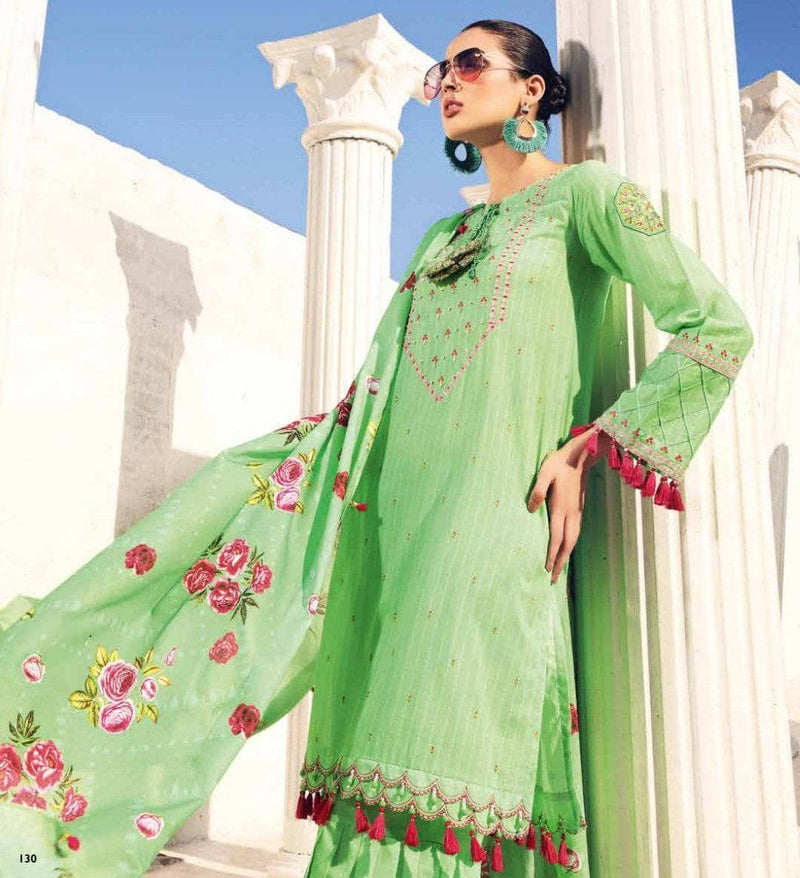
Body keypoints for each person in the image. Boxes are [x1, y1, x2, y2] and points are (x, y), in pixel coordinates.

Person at [0, 17, 753, 878]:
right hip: (392, 524)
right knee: (234, 604)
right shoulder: (440, 240)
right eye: (440, 71)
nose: (448, 82)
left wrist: (592, 444)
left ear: (531, 90)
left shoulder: (587, 197)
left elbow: (717, 327)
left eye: (471, 63)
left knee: (452, 763)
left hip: (497, 521)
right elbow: (377, 395)